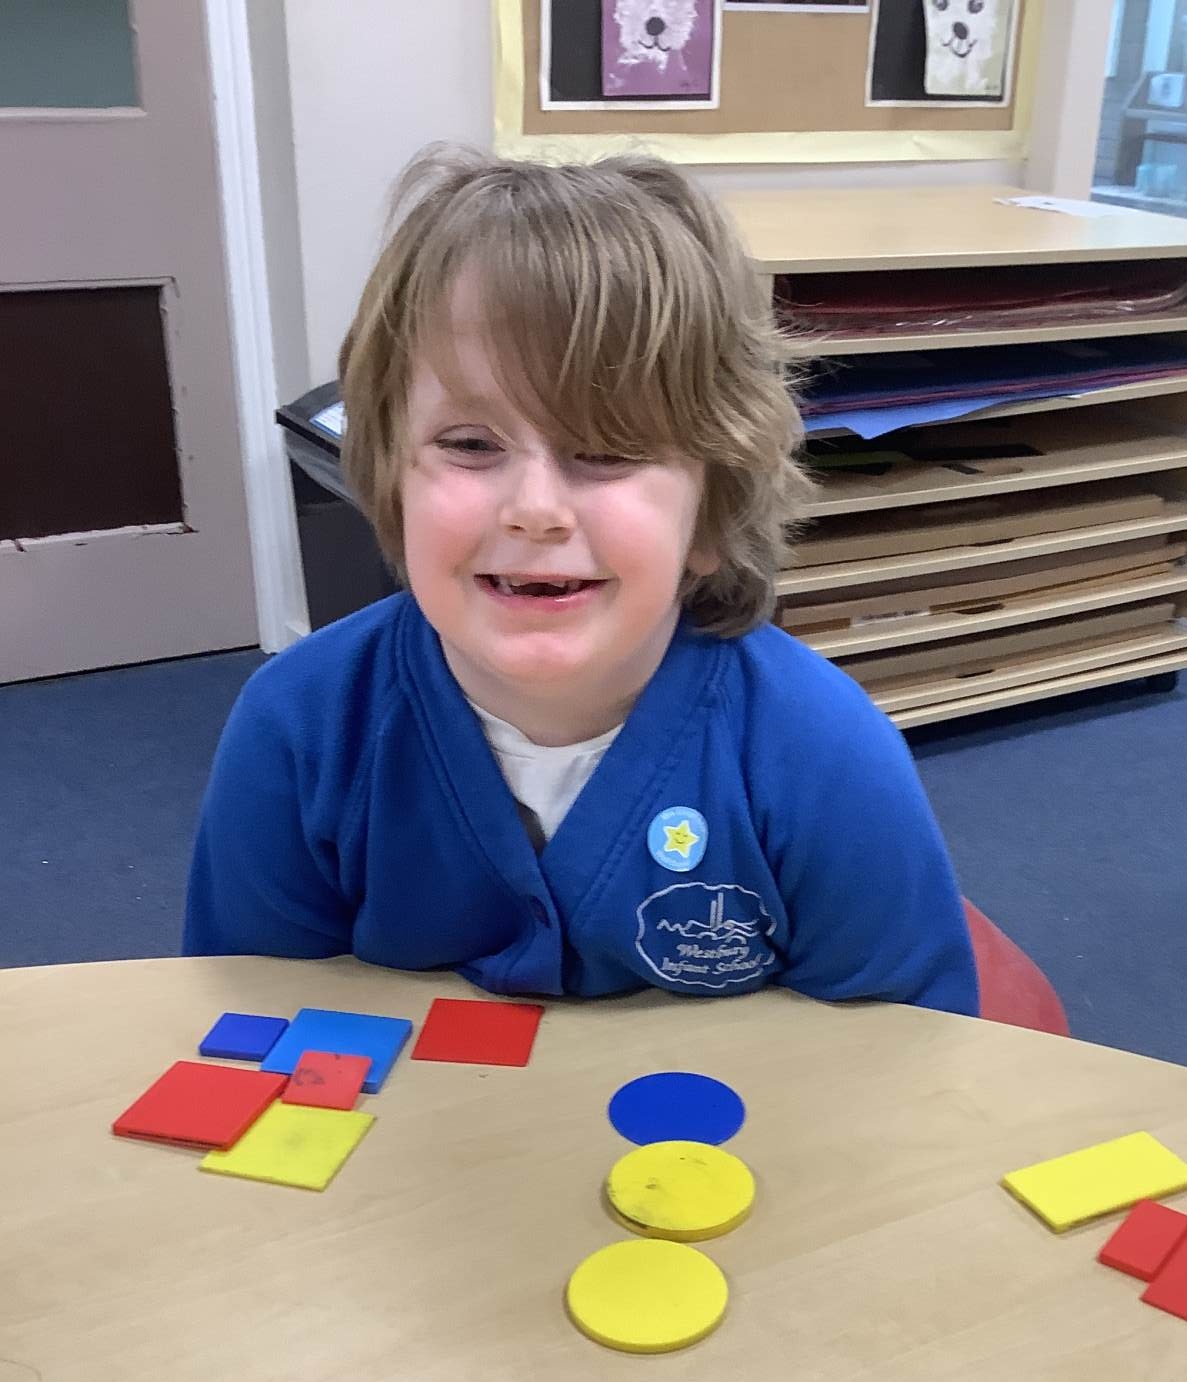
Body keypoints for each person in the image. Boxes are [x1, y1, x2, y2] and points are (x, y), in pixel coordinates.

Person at [184, 146, 979, 1015]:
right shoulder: (298, 728)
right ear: (393, 479)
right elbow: (247, 1029)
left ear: (710, 514)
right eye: (470, 444)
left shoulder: (823, 751)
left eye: (607, 450)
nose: (536, 511)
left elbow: (906, 1055)